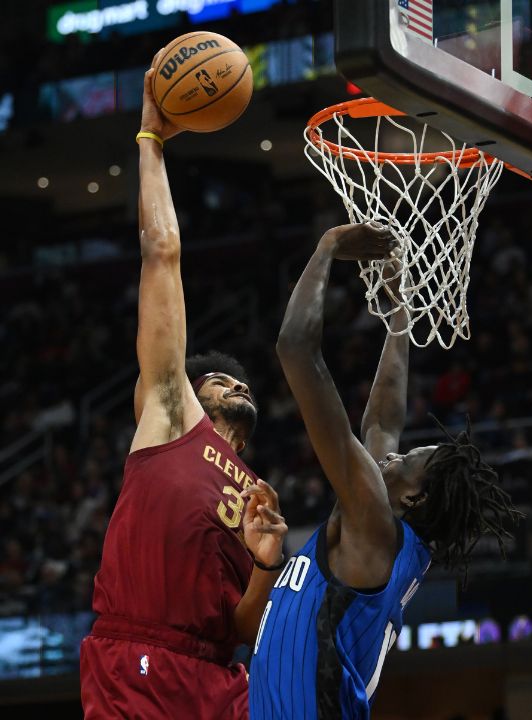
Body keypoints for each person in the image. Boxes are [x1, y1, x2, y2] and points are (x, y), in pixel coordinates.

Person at [80, 54, 289, 720]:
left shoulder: (257, 495)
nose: (234, 381)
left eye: (240, 379)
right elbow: (162, 252)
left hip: (218, 680)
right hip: (136, 665)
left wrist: (264, 563)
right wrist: (150, 140)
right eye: (218, 378)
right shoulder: (171, 416)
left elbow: (245, 632)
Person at [249, 224, 523, 718]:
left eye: (407, 459)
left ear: (414, 498)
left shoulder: (374, 526)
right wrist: (401, 312)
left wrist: (326, 247)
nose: (394, 456)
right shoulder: (388, 534)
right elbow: (382, 421)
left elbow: (295, 350)